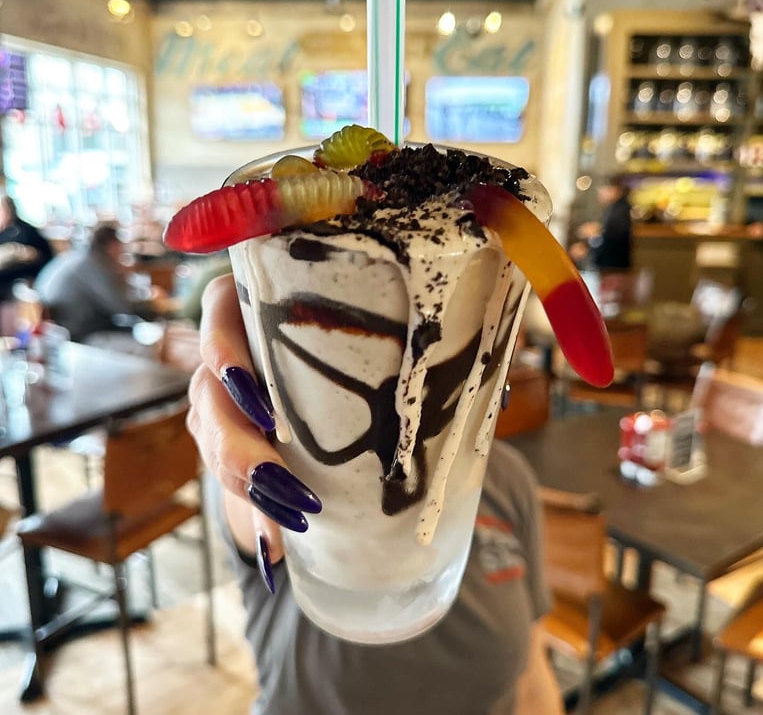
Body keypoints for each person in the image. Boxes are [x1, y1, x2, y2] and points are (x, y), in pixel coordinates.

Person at [186, 274, 565, 715]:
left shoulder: (509, 481)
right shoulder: (286, 463)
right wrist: (243, 453)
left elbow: (532, 676)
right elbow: (247, 511)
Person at [34, 224, 165, 351]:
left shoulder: (78, 257)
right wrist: (123, 279)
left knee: (137, 329)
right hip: (80, 336)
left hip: (64, 331)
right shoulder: (92, 264)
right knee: (149, 345)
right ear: (112, 245)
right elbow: (121, 307)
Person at [570, 176, 633, 272]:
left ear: (614, 190)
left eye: (602, 189)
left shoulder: (621, 210)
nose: (600, 193)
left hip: (612, 268)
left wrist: (594, 235)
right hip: (609, 265)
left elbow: (612, 241)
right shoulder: (615, 208)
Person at [0, 194, 54, 302]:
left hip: (25, 281)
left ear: (10, 209)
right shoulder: (3, 232)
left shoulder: (26, 231)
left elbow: (40, 255)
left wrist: (20, 253)